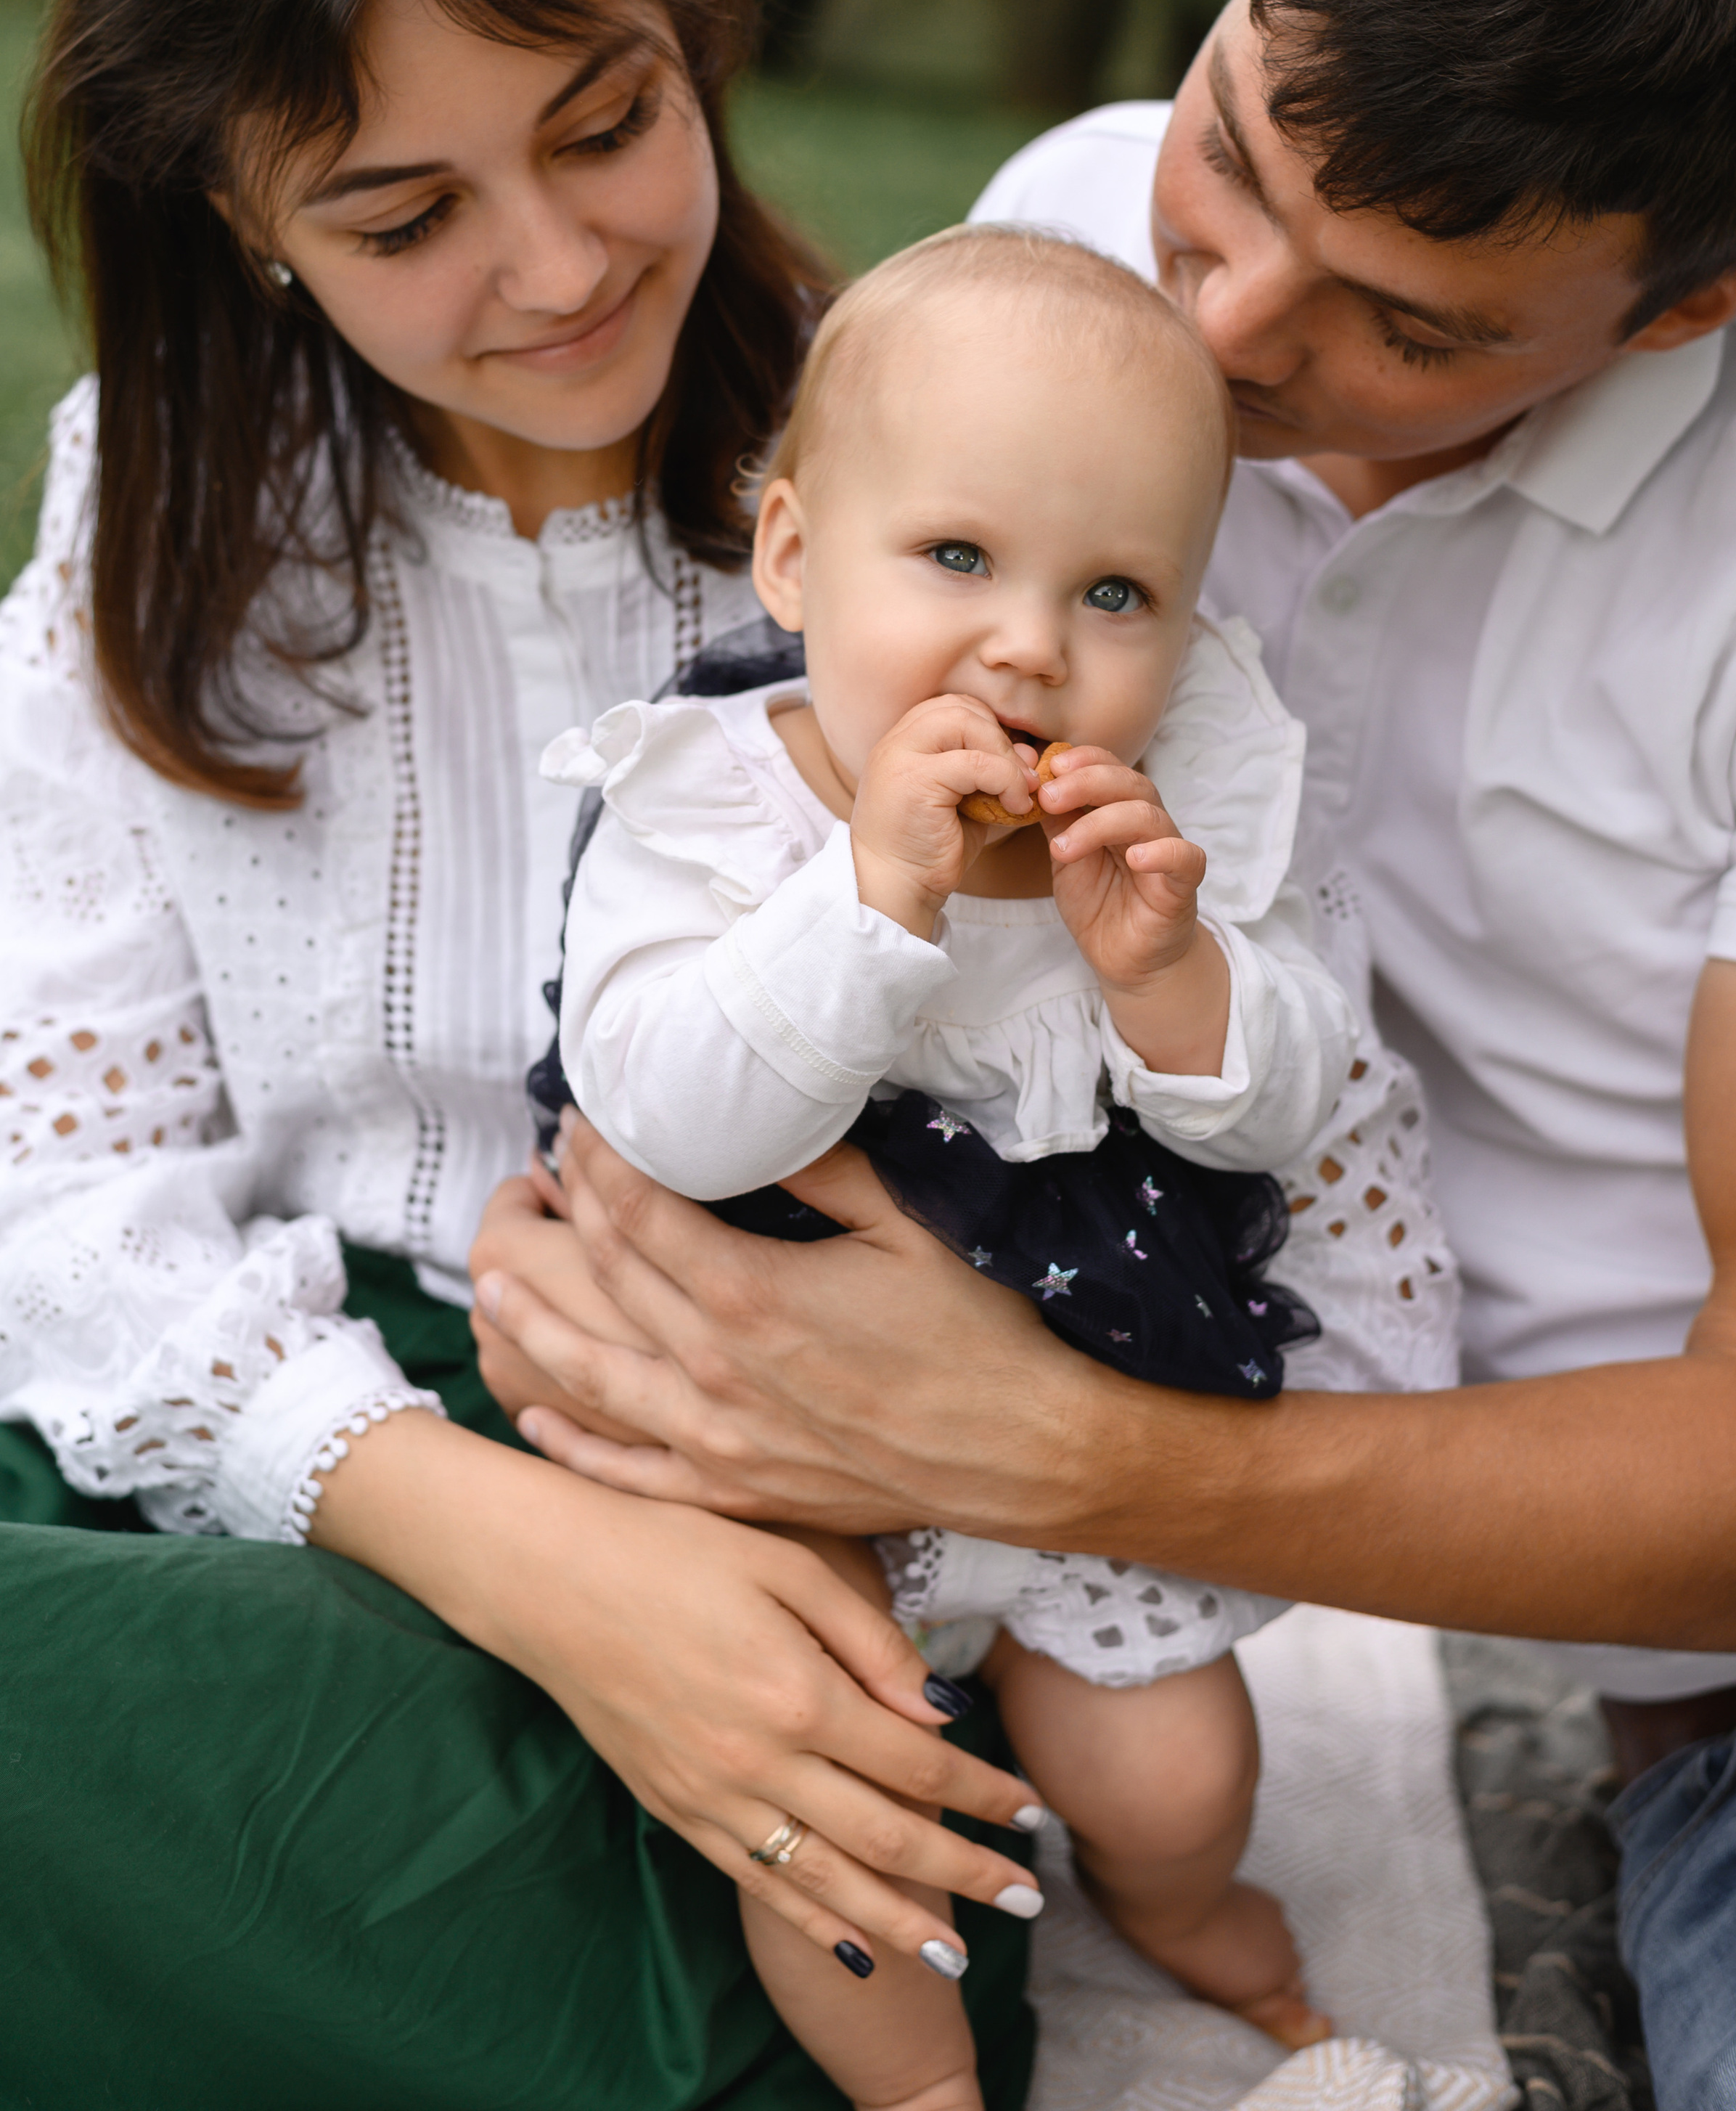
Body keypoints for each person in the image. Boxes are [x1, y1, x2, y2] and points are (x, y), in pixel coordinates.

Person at [470, 0, 1736, 2111]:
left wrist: (1058, 1453)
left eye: (1407, 322)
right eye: (1234, 149)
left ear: (1696, 301)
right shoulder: (1070, 238)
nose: (1212, 328)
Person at [0, 0, 1049, 2110]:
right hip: (272, 1467)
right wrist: (524, 1560)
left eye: (607, 123)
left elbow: (1128, 1138)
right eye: (401, 211)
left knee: (821, 1931)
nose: (560, 266)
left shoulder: (943, 494)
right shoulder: (146, 523)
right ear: (240, 216)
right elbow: (64, 1209)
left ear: (693, 27)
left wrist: (736, 1542)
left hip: (764, 1504)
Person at [544, 223, 1460, 2104]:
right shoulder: (706, 801)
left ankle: (1173, 1904)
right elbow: (669, 1112)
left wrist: (1175, 983)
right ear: (795, 555)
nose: (1031, 645)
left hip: (1073, 1410)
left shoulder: (1172, 828)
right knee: (844, 1809)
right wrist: (871, 900)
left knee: (1180, 1774)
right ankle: (921, 2087)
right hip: (768, 1440)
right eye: (956, 559)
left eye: (1115, 593)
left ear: (1192, 627)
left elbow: (1297, 1105)